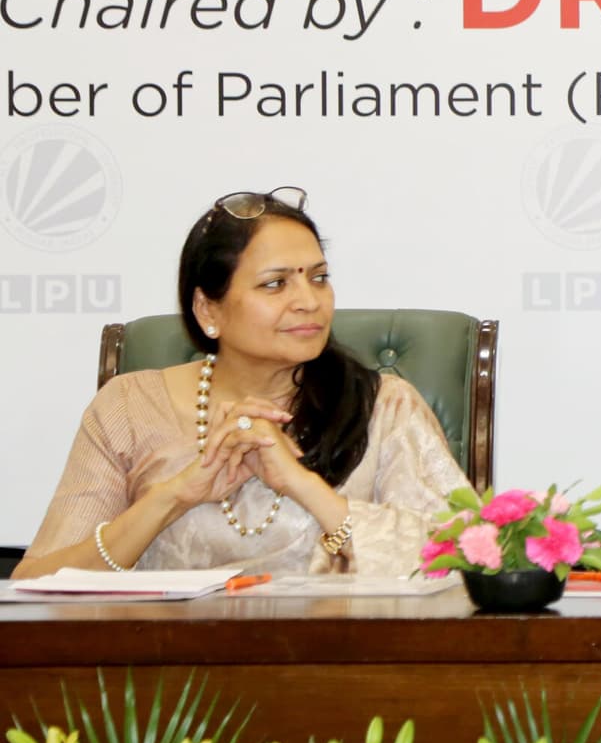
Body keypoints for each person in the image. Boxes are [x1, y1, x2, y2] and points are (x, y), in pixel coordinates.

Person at [17, 188, 468, 579]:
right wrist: (174, 497)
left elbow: (465, 560)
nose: (309, 301)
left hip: (334, 651)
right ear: (207, 309)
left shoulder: (383, 406)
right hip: (168, 653)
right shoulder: (128, 408)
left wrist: (302, 485)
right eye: (275, 284)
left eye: (319, 278)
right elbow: (37, 583)